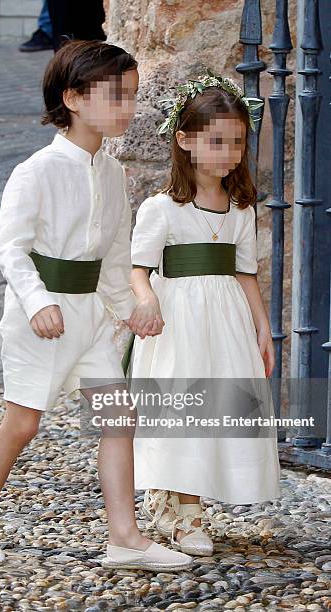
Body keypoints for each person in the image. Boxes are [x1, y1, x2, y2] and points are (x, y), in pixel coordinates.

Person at [0, 39, 193, 573]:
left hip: (92, 322)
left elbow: (113, 256)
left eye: (131, 96)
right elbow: (8, 248)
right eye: (116, 96)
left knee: (117, 418)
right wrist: (36, 302)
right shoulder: (36, 171)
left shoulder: (111, 172)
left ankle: (124, 538)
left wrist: (130, 310)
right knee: (22, 423)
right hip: (41, 320)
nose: (128, 108)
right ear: (74, 98)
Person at [125, 70, 281, 556]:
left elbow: (246, 273)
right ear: (185, 140)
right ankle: (181, 511)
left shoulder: (240, 208)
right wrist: (147, 300)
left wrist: (262, 328)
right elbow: (138, 269)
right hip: (179, 323)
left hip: (226, 322)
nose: (230, 155)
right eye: (218, 142)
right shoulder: (161, 209)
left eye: (237, 144)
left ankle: (181, 500)